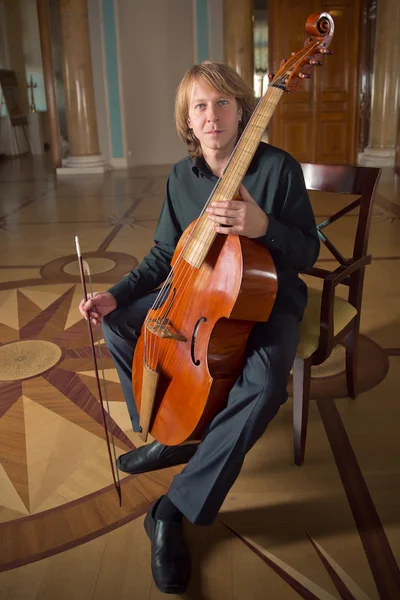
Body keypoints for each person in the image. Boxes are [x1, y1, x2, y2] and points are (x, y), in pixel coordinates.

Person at [79, 60, 319, 594]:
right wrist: (114, 297)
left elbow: (307, 250)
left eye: (223, 103)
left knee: (262, 387)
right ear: (188, 120)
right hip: (196, 297)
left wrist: (265, 227)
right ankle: (170, 433)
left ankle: (172, 509)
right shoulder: (180, 177)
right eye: (200, 106)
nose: (212, 116)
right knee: (122, 328)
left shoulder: (277, 169)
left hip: (267, 299)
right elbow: (165, 252)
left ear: (242, 109)